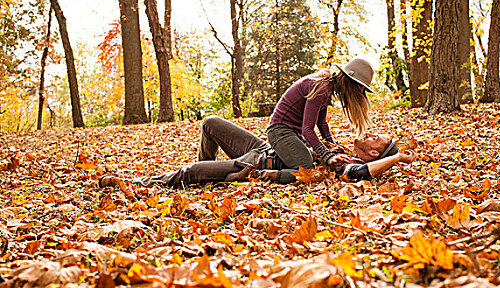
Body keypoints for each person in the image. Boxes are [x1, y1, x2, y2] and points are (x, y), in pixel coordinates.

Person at [98, 116, 416, 189]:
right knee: (210, 123)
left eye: (377, 138)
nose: (370, 133)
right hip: (261, 146)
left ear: (375, 154)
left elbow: (363, 175)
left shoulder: (345, 167)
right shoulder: (337, 148)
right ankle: (205, 167)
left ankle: (136, 183)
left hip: (257, 163)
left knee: (191, 174)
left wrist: (397, 159)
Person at [267, 58, 375, 184]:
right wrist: (327, 156)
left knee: (313, 162)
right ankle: (262, 174)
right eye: (360, 88)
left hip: (293, 133)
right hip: (279, 131)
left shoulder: (328, 87)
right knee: (307, 170)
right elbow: (307, 130)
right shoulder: (321, 88)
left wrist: (333, 146)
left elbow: (322, 122)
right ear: (351, 83)